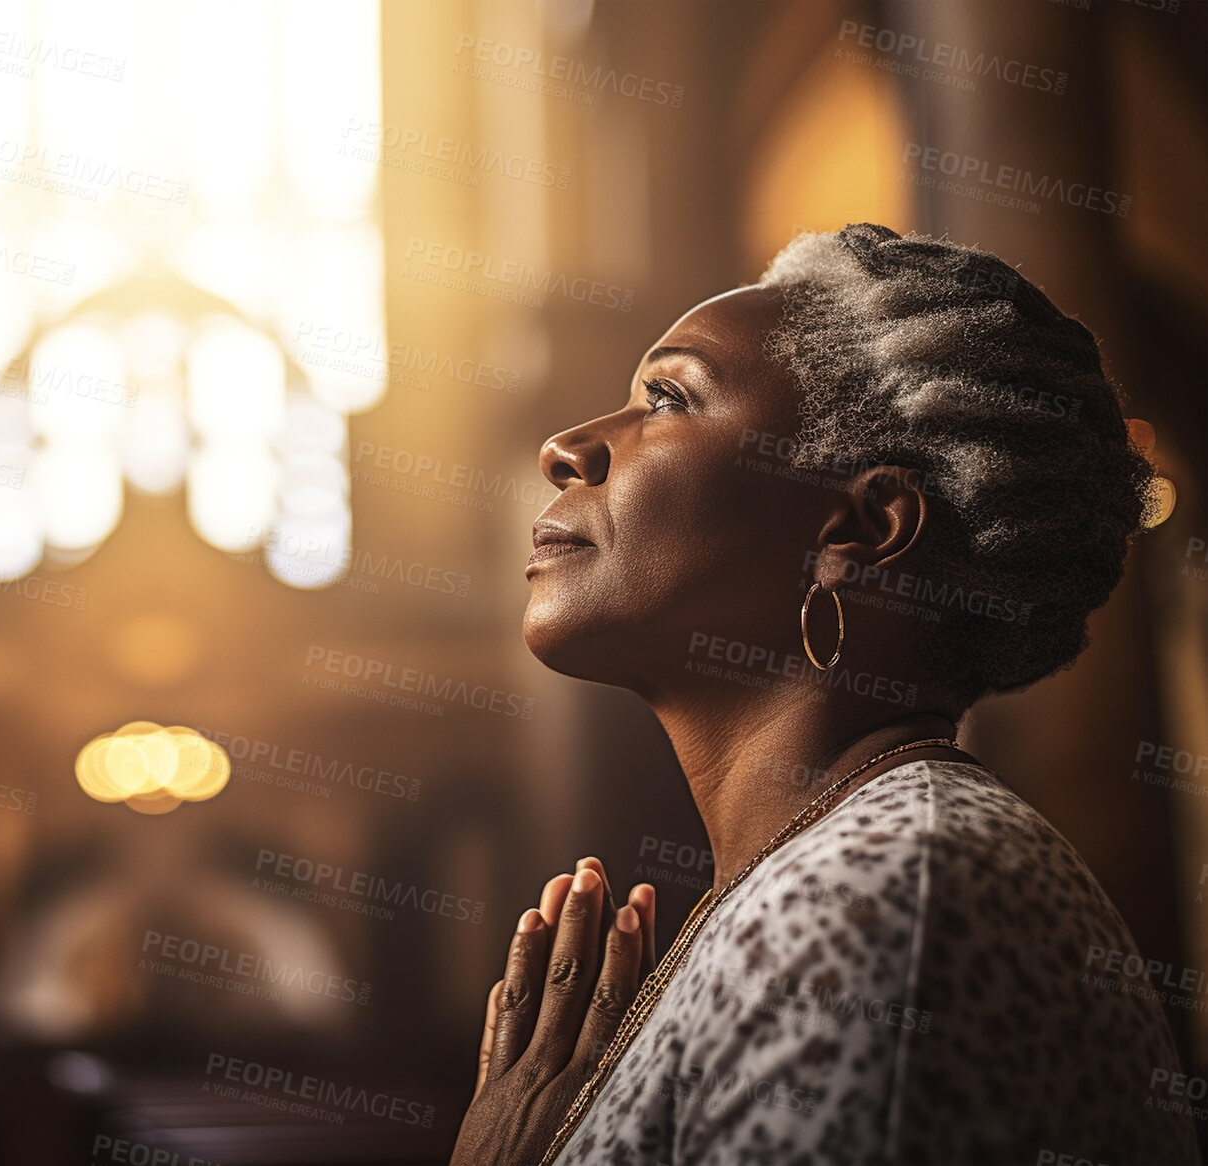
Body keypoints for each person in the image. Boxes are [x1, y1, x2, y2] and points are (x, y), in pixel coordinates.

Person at [450, 223, 1200, 1165]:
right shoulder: (828, 866)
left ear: (858, 527)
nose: (567, 447)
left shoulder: (885, 893)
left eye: (668, 398)